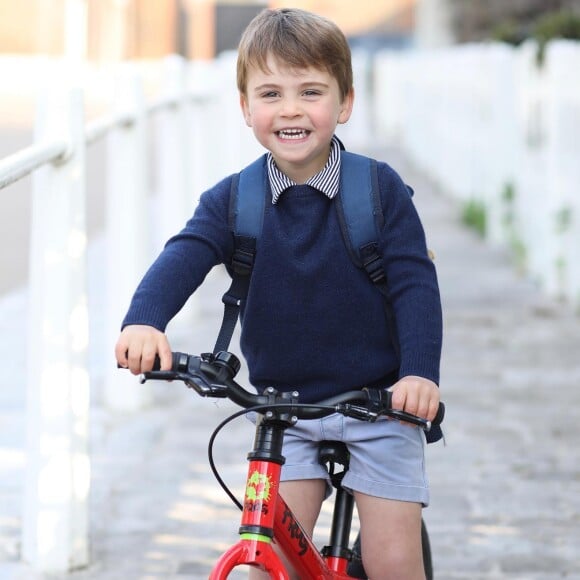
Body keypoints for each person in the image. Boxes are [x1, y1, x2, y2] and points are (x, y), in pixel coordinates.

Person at [116, 7, 442, 580]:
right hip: (281, 411)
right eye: (270, 93)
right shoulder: (233, 200)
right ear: (246, 108)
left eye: (310, 91)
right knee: (271, 561)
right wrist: (145, 321)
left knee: (394, 563)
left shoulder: (378, 191)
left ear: (343, 104)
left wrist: (418, 376)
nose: (290, 109)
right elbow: (185, 253)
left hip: (379, 405)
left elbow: (416, 282)